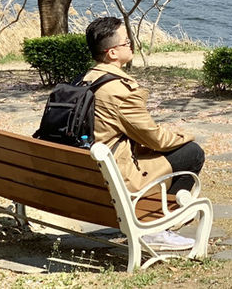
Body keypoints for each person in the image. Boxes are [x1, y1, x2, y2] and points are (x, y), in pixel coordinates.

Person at [84, 16, 205, 251]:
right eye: (126, 43)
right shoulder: (119, 91)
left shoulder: (85, 79)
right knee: (192, 153)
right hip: (115, 177)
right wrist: (186, 135)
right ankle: (157, 228)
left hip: (85, 175)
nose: (131, 45)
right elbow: (156, 139)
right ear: (112, 53)